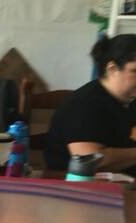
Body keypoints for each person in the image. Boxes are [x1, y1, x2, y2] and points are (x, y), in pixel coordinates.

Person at [45, 33, 136, 173]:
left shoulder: (128, 100)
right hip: (76, 183)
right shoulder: (83, 105)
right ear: (112, 69)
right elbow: (91, 161)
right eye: (134, 71)